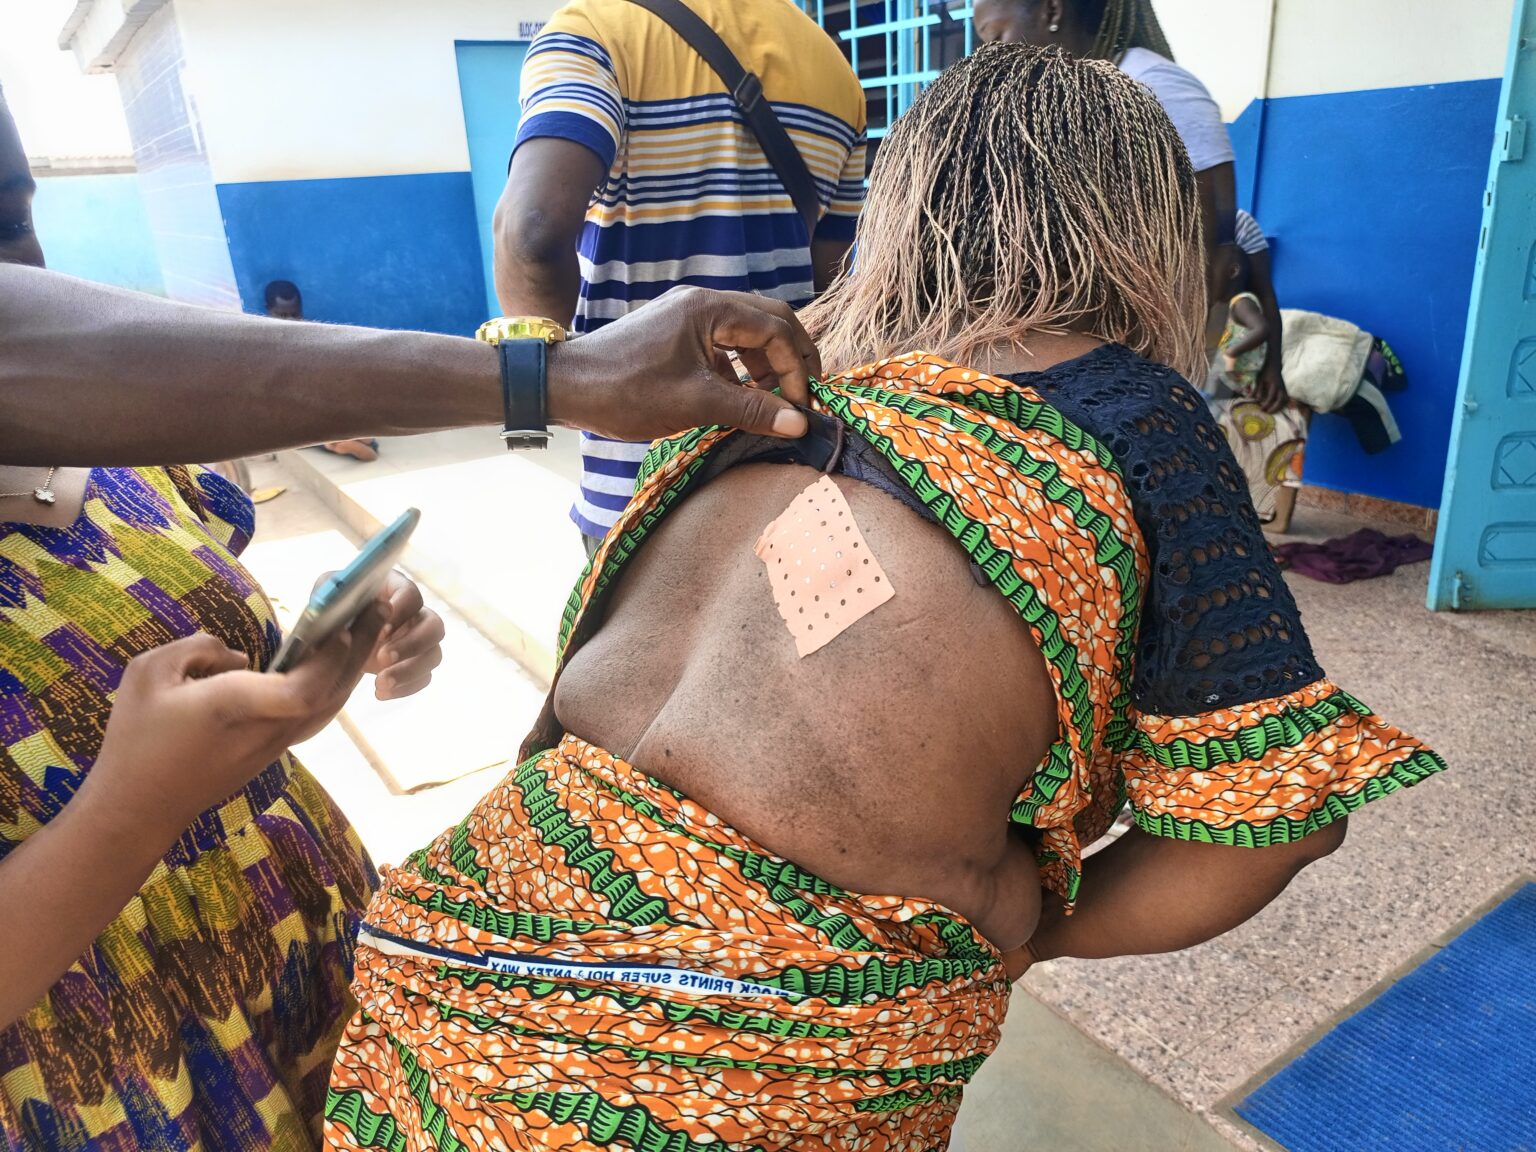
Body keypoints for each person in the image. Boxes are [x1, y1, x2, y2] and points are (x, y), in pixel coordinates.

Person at [322, 46, 1444, 1151]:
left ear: (899, 201)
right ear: (1150, 225)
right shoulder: (1132, 412)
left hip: (447, 968)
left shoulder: (761, 395)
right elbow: (1275, 828)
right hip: (721, 1077)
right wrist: (1041, 933)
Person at [0, 85, 822, 1150]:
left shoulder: (116, 458)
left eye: (13, 225)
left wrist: (311, 648)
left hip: (324, 990)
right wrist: (128, 806)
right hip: (129, 1094)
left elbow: (168, 664)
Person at [495, 0, 867, 552]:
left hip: (637, 488)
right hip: (790, 466)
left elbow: (531, 233)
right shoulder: (832, 66)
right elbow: (834, 286)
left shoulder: (594, 32)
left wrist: (548, 395)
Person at [973, 0, 1290, 413]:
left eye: (995, 36)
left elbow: (1212, 240)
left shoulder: (1153, 83)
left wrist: (1160, 354)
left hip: (1150, 347)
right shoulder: (1064, 98)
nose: (988, 56)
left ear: (1052, 11)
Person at [265, 279, 382, 463]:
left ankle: (348, 441)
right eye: (282, 315)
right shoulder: (263, 345)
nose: (289, 320)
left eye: (294, 314)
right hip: (293, 417)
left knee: (342, 424)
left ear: (301, 310)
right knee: (297, 432)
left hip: (319, 409)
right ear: (268, 310)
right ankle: (342, 442)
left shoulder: (313, 335)